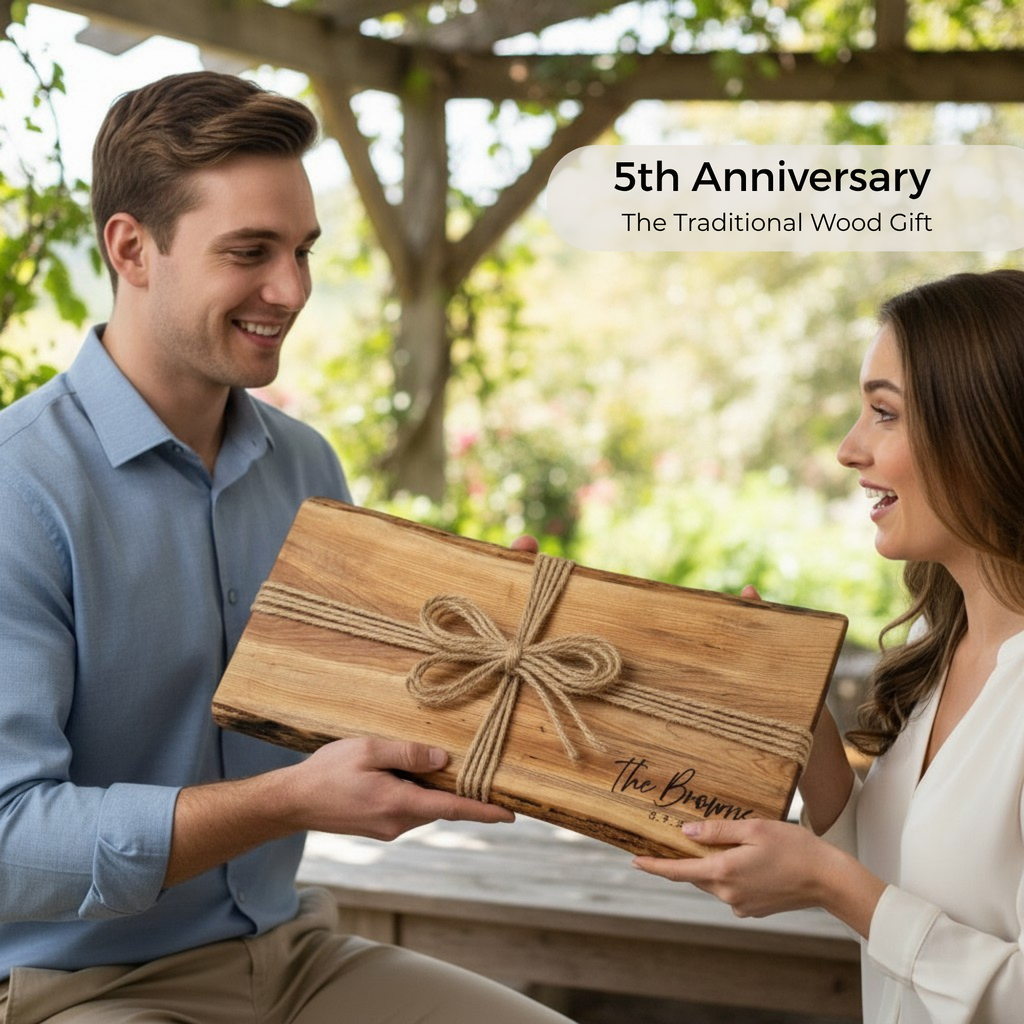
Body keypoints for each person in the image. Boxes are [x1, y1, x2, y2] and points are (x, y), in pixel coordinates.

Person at [0, 70, 574, 1024]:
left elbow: (362, 709)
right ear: (132, 249)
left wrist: (489, 645)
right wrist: (285, 803)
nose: (292, 289)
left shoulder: (303, 465)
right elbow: (10, 842)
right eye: (250, 252)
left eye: (303, 250)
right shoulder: (19, 488)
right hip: (84, 989)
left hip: (293, 954)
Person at [636, 268, 1024, 1024]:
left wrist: (831, 887)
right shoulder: (946, 651)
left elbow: (874, 900)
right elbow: (904, 875)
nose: (850, 450)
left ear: (985, 430)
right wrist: (803, 723)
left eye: (884, 414)